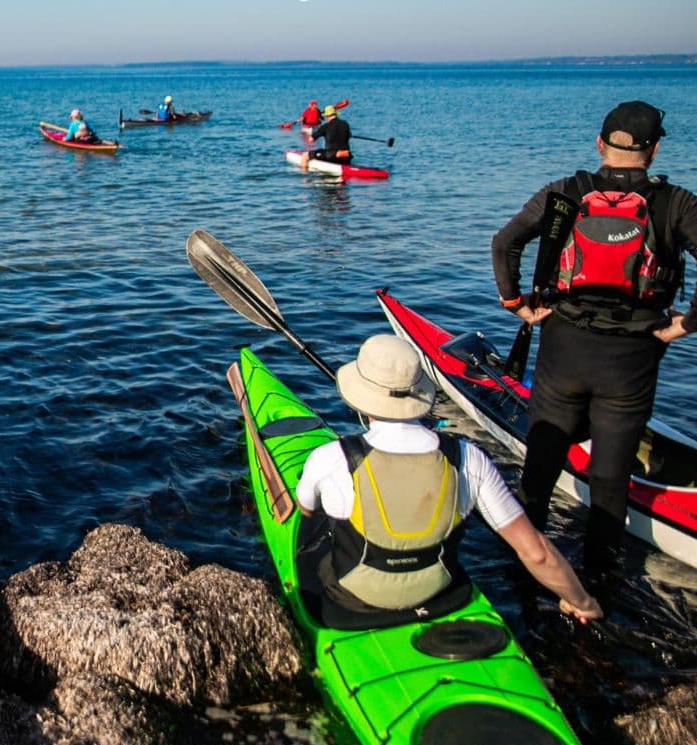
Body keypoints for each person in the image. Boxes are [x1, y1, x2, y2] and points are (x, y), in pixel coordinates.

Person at [492, 100, 697, 567]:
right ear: (656, 150)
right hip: (633, 359)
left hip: (563, 346)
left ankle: (525, 576)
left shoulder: (566, 192)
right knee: (609, 480)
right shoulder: (675, 203)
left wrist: (518, 304)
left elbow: (505, 243)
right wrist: (684, 326)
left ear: (600, 144)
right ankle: (596, 593)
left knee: (540, 469)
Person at [295, 334, 603, 623]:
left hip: (352, 602)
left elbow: (306, 508)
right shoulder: (468, 457)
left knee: (314, 540)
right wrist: (583, 602)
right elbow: (536, 552)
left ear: (362, 400)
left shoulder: (331, 457)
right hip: (439, 594)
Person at [300, 105, 352, 170]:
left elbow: (311, 139)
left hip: (332, 156)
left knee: (305, 156)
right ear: (336, 114)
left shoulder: (326, 126)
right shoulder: (345, 124)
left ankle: (304, 176)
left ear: (327, 116)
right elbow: (349, 135)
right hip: (347, 156)